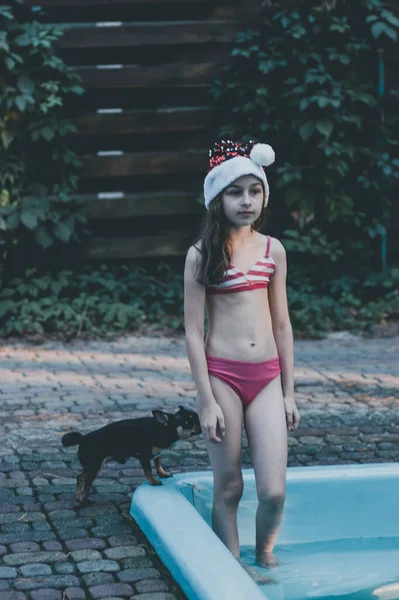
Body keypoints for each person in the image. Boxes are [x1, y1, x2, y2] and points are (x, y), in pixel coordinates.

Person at [183, 140, 300, 569]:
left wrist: (288, 391)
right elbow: (194, 332)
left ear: (264, 196)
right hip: (222, 377)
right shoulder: (201, 255)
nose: (246, 200)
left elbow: (283, 325)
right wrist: (205, 400)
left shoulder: (274, 250)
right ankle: (230, 573)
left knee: (273, 491)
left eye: (255, 190)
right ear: (217, 199)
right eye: (236, 192)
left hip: (267, 377)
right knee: (229, 486)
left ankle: (265, 558)